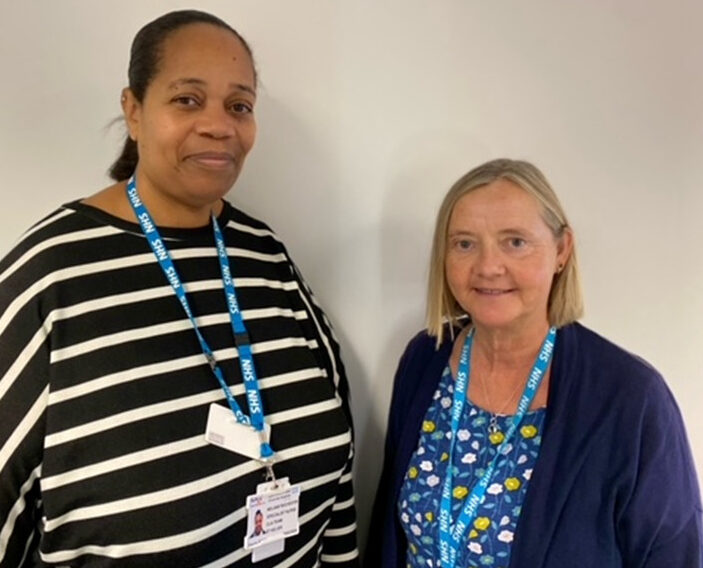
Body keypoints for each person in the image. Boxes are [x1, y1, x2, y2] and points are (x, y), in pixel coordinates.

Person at [0, 10, 358, 567]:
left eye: (239, 106)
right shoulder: (50, 276)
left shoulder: (267, 257)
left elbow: (339, 480)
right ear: (134, 111)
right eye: (188, 99)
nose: (220, 125)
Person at [365, 158, 702, 567]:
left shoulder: (631, 399)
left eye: (515, 242)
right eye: (465, 243)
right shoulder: (425, 358)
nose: (488, 266)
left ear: (561, 250)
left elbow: (674, 556)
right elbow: (389, 531)